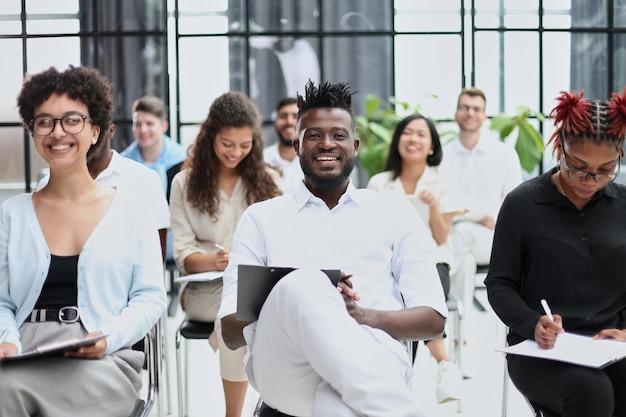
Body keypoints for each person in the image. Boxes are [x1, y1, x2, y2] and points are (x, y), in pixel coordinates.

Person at [218, 80, 447, 417]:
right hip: (289, 370)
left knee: (336, 405)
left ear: (353, 145)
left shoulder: (395, 212)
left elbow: (433, 320)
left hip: (373, 356)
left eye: (338, 135)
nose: (327, 143)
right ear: (296, 144)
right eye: (313, 135)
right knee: (305, 283)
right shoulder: (261, 219)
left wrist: (363, 316)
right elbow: (230, 331)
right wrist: (299, 295)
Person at [0, 65, 166, 417]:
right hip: (25, 353)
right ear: (33, 131)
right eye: (44, 122)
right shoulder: (11, 214)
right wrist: (8, 341)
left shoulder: (132, 208)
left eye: (72, 120)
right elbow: (1, 301)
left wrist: (108, 336)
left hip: (102, 357)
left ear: (95, 131)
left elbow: (150, 298)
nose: (57, 132)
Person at [485, 88, 626, 417]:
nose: (590, 180)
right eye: (578, 167)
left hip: (612, 342)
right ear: (559, 147)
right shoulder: (522, 204)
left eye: (605, 169)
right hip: (539, 348)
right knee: (592, 393)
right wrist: (533, 323)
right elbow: (500, 283)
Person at [170, 91, 282, 417]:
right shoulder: (184, 183)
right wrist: (214, 261)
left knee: (244, 306)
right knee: (240, 311)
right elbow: (182, 252)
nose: (235, 153)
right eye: (227, 144)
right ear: (210, 138)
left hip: (257, 284)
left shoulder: (270, 181)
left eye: (244, 145)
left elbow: (284, 242)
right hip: (205, 290)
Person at [367, 114, 463, 404]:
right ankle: (444, 365)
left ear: (432, 146)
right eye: (408, 133)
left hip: (433, 260)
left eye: (421, 134)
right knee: (403, 296)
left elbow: (442, 236)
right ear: (398, 142)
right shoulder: (379, 183)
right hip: (389, 262)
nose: (413, 139)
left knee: (417, 296)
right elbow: (370, 232)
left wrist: (433, 207)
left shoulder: (443, 182)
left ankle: (402, 384)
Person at [439, 87, 523, 322]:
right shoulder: (442, 156)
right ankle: (460, 330)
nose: (470, 113)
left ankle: (436, 302)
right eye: (464, 108)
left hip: (494, 237)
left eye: (476, 109)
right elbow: (442, 206)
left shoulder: (504, 154)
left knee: (462, 234)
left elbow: (514, 203)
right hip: (453, 237)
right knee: (463, 260)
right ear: (456, 113)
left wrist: (478, 218)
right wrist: (476, 216)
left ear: (485, 116)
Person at [38, 123, 170, 260]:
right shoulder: (48, 184)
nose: (89, 138)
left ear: (110, 131)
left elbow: (156, 257)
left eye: (95, 129)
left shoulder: (144, 179)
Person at [121, 95, 188, 193]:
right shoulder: (124, 162)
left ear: (164, 127)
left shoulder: (183, 161)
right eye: (138, 124)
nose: (143, 130)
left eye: (149, 124)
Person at [263, 97, 305, 193]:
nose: (289, 122)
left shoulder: (314, 161)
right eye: (283, 116)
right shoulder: (262, 159)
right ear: (275, 125)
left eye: (295, 116)